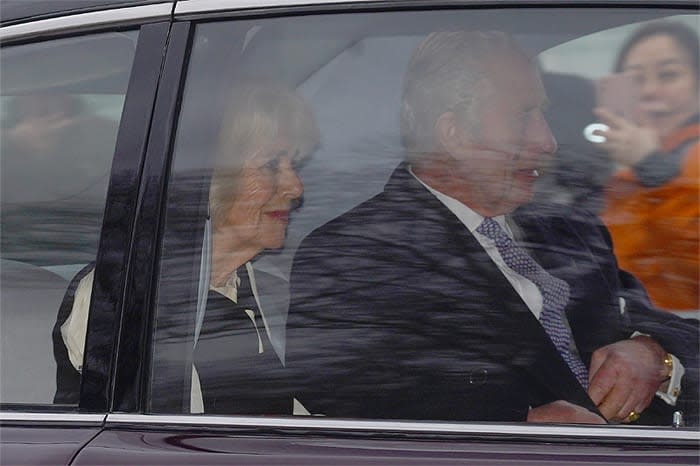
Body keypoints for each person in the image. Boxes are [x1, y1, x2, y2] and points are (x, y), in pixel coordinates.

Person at [285, 31, 698, 425]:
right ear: (455, 134)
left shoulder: (571, 231)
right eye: (523, 118)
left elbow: (669, 325)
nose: (548, 141)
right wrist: (515, 423)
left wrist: (654, 355)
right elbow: (356, 392)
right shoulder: (354, 255)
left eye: (544, 114)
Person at [52, 81, 320, 414]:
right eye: (271, 166)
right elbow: (140, 442)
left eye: (294, 165)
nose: (296, 187)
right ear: (212, 178)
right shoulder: (125, 295)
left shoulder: (265, 292)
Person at [595, 21, 699, 312]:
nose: (651, 91)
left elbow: (691, 268)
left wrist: (652, 168)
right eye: (636, 80)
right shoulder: (623, 172)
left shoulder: (664, 162)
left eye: (669, 75)